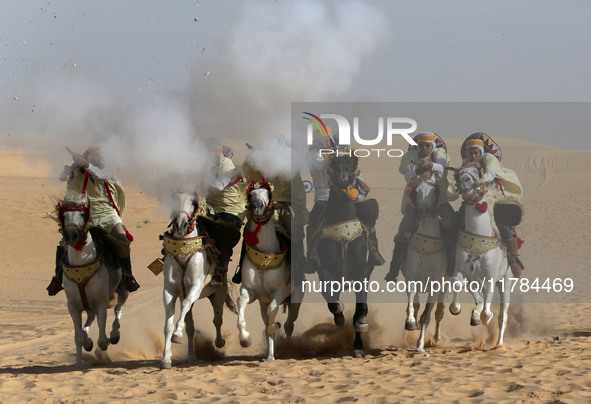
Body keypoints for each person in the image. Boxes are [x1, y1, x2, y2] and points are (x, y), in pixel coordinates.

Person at [47, 146, 140, 295]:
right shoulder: (76, 172)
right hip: (84, 215)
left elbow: (100, 175)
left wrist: (86, 165)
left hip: (108, 214)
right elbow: (62, 177)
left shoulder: (108, 171)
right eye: (94, 157)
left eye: (100, 157)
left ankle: (128, 276)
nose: (99, 159)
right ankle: (57, 278)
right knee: (64, 243)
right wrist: (73, 166)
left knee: (122, 239)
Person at [306, 131, 385, 271]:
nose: (326, 143)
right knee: (313, 220)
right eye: (322, 140)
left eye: (328, 140)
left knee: (368, 212)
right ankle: (311, 257)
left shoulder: (341, 154)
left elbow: (358, 176)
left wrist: (358, 195)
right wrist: (338, 156)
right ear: (316, 142)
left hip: (348, 197)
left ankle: (373, 250)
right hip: (325, 198)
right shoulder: (313, 155)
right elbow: (321, 165)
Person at [384, 132, 458, 282]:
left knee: (456, 227)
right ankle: (394, 270)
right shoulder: (410, 155)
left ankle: (455, 266)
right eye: (421, 145)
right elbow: (406, 176)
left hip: (439, 201)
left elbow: (441, 167)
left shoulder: (439, 153)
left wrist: (429, 164)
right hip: (416, 203)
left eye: (427, 145)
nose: (423, 148)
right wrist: (417, 171)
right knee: (401, 233)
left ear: (433, 146)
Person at [235, 133, 309, 283]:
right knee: (249, 229)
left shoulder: (290, 161)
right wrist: (253, 157)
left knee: (295, 229)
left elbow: (296, 187)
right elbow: (249, 175)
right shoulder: (261, 159)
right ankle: (241, 268)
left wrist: (301, 211)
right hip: (263, 205)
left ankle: (299, 270)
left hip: (284, 205)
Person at [461, 136, 525, 277]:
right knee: (457, 221)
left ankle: (513, 257)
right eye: (470, 153)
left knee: (503, 225)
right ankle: (453, 256)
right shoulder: (466, 163)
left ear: (481, 152)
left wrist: (481, 181)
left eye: (475, 152)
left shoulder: (489, 158)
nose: (473, 155)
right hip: (473, 198)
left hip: (492, 196)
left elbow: (491, 173)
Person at [204, 144, 247, 287]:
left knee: (226, 234)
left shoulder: (226, 165)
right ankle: (162, 260)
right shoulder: (205, 164)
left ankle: (220, 270)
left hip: (232, 209)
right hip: (211, 205)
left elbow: (219, 185)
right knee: (185, 222)